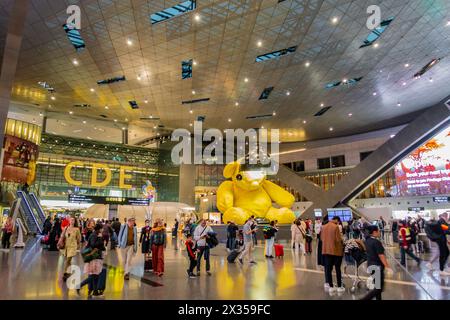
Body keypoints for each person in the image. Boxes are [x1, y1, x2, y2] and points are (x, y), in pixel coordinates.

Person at [361, 225, 391, 300]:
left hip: (370, 265)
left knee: (377, 287)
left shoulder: (367, 241)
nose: (380, 232)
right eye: (378, 231)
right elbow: (381, 255)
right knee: (378, 289)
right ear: (374, 232)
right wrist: (387, 267)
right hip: (377, 267)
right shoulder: (376, 242)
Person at [77, 224, 105, 298]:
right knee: (94, 275)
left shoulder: (97, 235)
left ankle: (95, 292)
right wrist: (100, 239)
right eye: (101, 228)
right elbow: (93, 244)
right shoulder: (94, 235)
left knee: (95, 275)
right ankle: (80, 285)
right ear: (99, 229)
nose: (102, 230)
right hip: (93, 257)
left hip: (96, 256)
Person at [321, 216, 345, 294]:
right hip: (336, 251)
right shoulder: (336, 227)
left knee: (328, 268)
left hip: (326, 251)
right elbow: (338, 239)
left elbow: (321, 238)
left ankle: (331, 286)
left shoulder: (323, 227)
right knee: (337, 268)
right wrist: (342, 240)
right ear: (336, 220)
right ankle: (339, 286)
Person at [61, 217, 81, 281]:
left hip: (73, 247)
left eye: (73, 220)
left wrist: (77, 245)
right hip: (66, 247)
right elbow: (62, 236)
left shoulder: (77, 229)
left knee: (68, 260)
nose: (72, 221)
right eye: (71, 220)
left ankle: (65, 273)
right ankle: (69, 272)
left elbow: (79, 239)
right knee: (68, 261)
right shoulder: (66, 228)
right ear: (69, 221)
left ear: (75, 222)